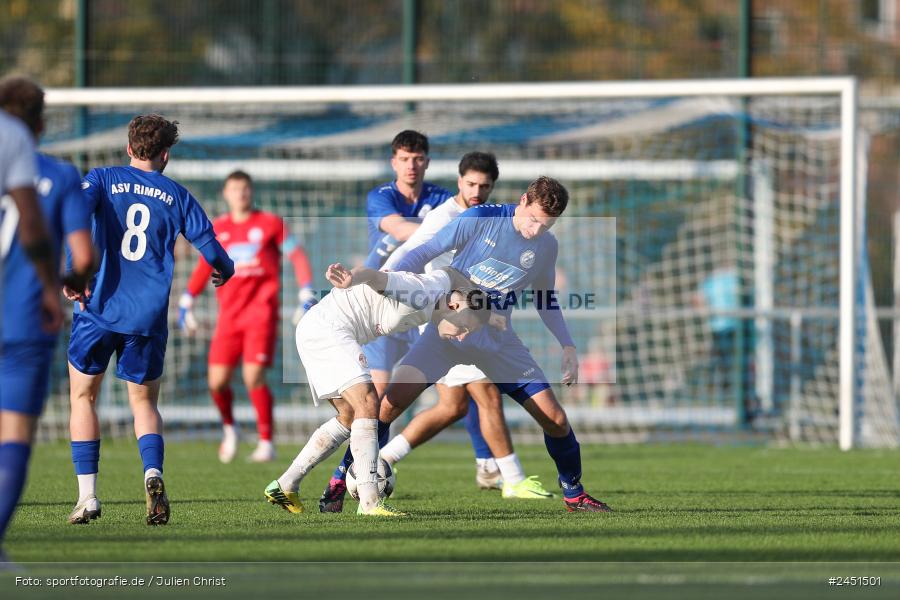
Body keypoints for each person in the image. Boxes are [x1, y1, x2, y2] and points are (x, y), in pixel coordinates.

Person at [375, 176, 612, 512]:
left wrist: (568, 346)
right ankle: (345, 477)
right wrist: (387, 285)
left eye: (546, 226)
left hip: (498, 341)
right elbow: (424, 251)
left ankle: (574, 493)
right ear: (522, 201)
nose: (536, 231)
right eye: (533, 220)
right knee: (388, 405)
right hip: (447, 332)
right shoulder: (479, 219)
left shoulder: (546, 245)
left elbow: (545, 299)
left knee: (556, 420)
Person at [65, 114, 234, 526]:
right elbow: (212, 250)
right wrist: (224, 269)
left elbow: (74, 215)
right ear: (165, 154)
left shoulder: (102, 178)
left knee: (83, 397)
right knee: (144, 402)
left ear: (128, 148)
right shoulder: (177, 195)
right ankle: (152, 473)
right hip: (147, 318)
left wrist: (71, 269)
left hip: (98, 308)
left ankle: (88, 497)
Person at [377, 152, 553, 500]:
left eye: (485, 186)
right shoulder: (447, 216)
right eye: (471, 184)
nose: (477, 190)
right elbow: (416, 251)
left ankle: (379, 458)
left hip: (470, 315)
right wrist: (384, 282)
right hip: (444, 316)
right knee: (485, 392)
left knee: (453, 405)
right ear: (459, 182)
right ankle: (511, 477)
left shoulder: (492, 218)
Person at [265, 263, 493, 516]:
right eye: (463, 328)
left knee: (350, 416)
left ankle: (285, 485)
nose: (461, 336)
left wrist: (478, 299)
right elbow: (374, 276)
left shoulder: (442, 287)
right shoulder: (422, 291)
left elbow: (451, 273)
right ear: (453, 307)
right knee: (368, 403)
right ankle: (370, 503)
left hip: (319, 328)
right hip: (330, 330)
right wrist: (352, 278)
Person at [319, 129, 456, 510]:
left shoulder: (444, 199)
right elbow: (399, 229)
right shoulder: (381, 196)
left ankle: (490, 467)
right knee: (374, 404)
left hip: (423, 308)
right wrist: (448, 234)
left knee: (457, 400)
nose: (412, 165)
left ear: (427, 161)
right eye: (404, 158)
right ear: (394, 162)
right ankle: (340, 479)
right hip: (381, 307)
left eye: (418, 158)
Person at [0, 76, 94, 562]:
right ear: (40, 122)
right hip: (23, 319)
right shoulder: (59, 177)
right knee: (13, 434)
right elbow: (82, 253)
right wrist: (66, 283)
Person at [177, 170, 316, 463]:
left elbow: (297, 255)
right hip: (228, 317)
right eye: (234, 189)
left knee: (253, 376)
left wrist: (306, 291)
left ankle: (267, 441)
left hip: (260, 315)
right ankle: (230, 429)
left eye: (245, 188)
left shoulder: (270, 225)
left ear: (251, 192)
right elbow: (206, 266)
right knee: (216, 382)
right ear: (225, 194)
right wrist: (186, 300)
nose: (240, 193)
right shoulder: (219, 228)